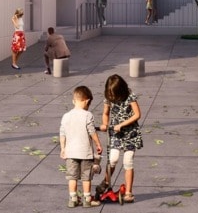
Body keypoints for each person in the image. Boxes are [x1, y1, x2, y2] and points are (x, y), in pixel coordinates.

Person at [100, 74, 143, 204]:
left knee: (127, 161)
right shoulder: (108, 98)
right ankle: (106, 182)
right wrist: (105, 124)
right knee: (113, 159)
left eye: (114, 94)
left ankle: (128, 192)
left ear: (121, 90)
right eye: (110, 94)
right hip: (116, 134)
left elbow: (137, 114)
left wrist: (122, 124)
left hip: (130, 134)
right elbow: (105, 113)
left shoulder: (130, 96)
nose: (112, 97)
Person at [60, 85, 103, 208]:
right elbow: (92, 131)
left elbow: (62, 134)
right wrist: (98, 144)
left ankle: (73, 199)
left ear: (73, 101)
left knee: (72, 177)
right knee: (86, 177)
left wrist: (63, 149)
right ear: (87, 101)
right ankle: (87, 199)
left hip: (70, 152)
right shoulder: (87, 115)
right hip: (85, 153)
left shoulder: (66, 116)